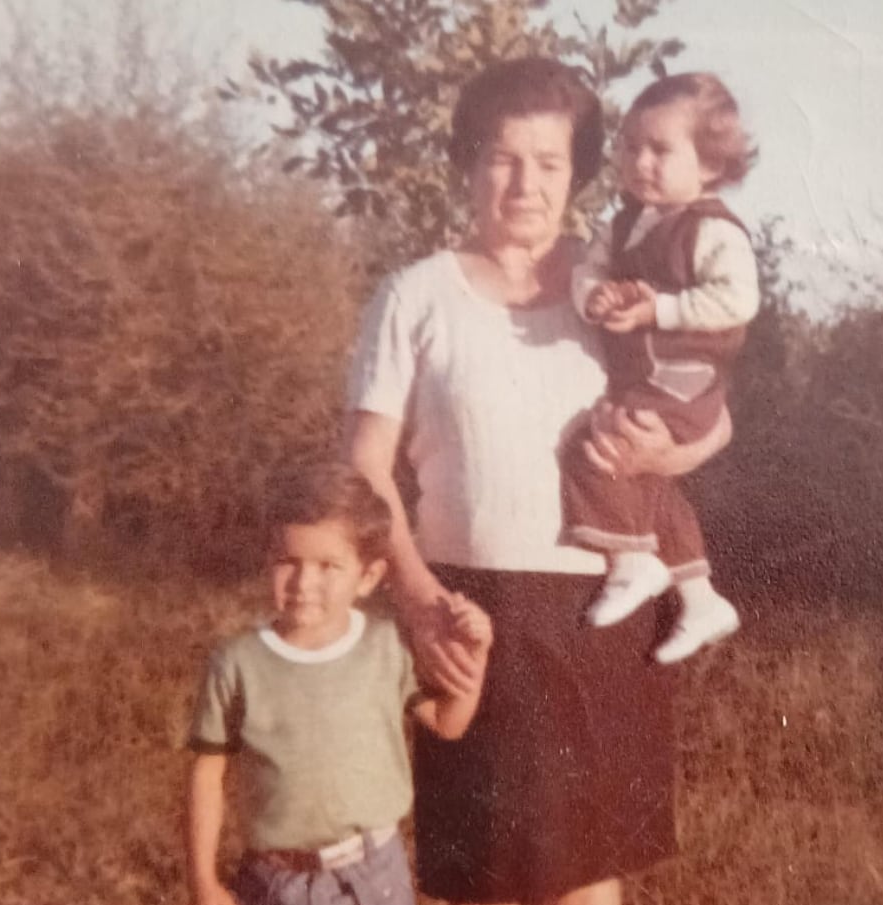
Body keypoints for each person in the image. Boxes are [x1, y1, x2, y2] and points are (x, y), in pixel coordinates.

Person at [345, 57, 731, 905]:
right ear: (469, 165)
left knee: (588, 885)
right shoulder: (415, 296)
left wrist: (667, 456)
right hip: (471, 612)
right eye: (503, 158)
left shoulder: (624, 296)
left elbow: (712, 415)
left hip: (607, 614)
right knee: (479, 882)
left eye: (550, 163)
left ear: (581, 174)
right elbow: (365, 471)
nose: (526, 183)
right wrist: (416, 600)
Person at [183, 462, 492, 905]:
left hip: (373, 877)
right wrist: (203, 881)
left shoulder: (386, 647)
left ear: (367, 577)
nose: (305, 583)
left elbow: (448, 723)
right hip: (273, 881)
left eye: (328, 566)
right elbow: (206, 775)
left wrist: (474, 662)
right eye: (288, 562)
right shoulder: (237, 664)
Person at [564, 72, 758, 664]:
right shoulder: (622, 224)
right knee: (649, 481)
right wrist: (592, 296)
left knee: (596, 444)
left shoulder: (713, 230)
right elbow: (587, 272)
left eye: (660, 149)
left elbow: (738, 300)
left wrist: (662, 308)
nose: (640, 161)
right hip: (645, 377)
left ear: (710, 165)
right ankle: (700, 598)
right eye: (630, 146)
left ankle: (632, 561)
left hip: (685, 378)